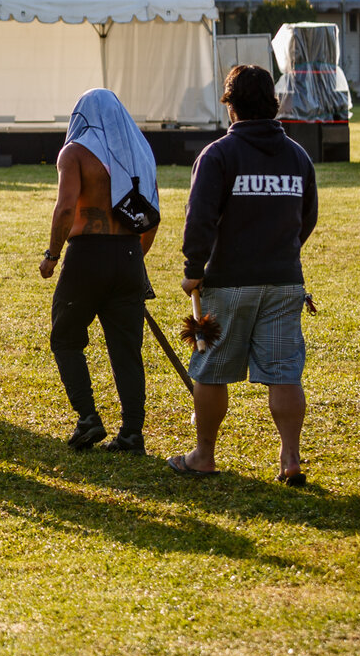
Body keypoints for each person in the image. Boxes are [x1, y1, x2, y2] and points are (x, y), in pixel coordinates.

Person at [167, 65, 318, 483]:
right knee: (284, 372)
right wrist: (282, 252)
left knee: (211, 370)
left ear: (230, 106)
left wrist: (192, 270)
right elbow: (308, 217)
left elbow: (199, 218)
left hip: (229, 282)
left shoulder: (218, 155)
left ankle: (204, 456)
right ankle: (290, 458)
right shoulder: (298, 156)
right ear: (272, 104)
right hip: (285, 281)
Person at [40, 88, 159, 454]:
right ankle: (132, 433)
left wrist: (52, 255)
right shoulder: (138, 154)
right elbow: (151, 214)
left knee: (65, 338)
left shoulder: (74, 152)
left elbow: (64, 209)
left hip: (87, 255)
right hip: (127, 254)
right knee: (127, 349)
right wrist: (134, 257)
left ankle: (88, 417)